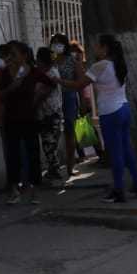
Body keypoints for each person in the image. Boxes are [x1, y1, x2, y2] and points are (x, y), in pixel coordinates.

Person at [72, 33, 137, 203]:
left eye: (97, 45)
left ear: (104, 48)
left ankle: (119, 190)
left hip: (110, 112)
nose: (94, 48)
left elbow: (79, 84)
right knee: (126, 149)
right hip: (123, 108)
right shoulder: (118, 63)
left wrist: (58, 79)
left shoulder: (99, 66)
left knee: (115, 152)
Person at [0, 41, 52, 205]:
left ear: (24, 55)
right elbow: (0, 95)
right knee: (12, 155)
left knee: (32, 154)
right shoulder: (5, 73)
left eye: (14, 54)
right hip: (11, 119)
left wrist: (37, 98)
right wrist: (12, 87)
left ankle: (35, 191)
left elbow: (50, 84)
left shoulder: (32, 71)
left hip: (29, 118)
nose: (11, 58)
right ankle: (14, 190)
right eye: (9, 54)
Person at [49, 35, 84, 177]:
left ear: (65, 45)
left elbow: (80, 83)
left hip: (69, 98)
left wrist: (82, 102)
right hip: (52, 100)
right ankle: (53, 166)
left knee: (70, 133)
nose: (56, 45)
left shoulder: (73, 61)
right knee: (53, 134)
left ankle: (70, 166)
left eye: (59, 43)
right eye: (54, 43)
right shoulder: (50, 61)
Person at [34, 46, 64, 185]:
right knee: (50, 144)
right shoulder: (45, 72)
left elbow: (43, 92)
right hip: (48, 113)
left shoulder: (51, 73)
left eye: (38, 59)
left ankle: (55, 172)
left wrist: (32, 104)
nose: (36, 62)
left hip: (50, 113)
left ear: (42, 60)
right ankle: (53, 171)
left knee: (49, 144)